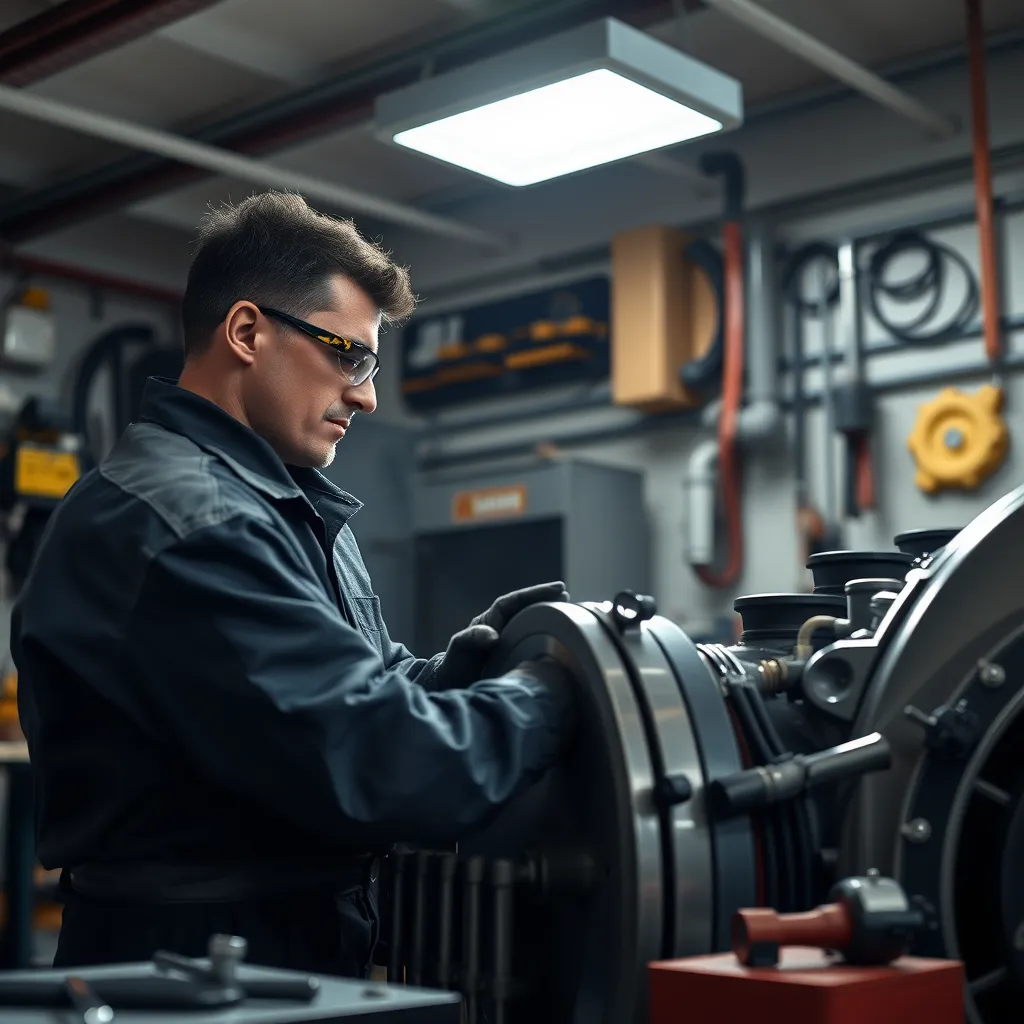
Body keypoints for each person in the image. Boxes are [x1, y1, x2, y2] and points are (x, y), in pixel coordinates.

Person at [11, 191, 576, 978]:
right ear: (246, 332)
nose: (367, 394)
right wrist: (556, 696)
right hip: (196, 967)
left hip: (286, 949)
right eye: (347, 355)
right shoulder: (188, 522)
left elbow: (352, 688)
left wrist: (455, 674)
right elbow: (376, 760)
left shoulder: (282, 506)